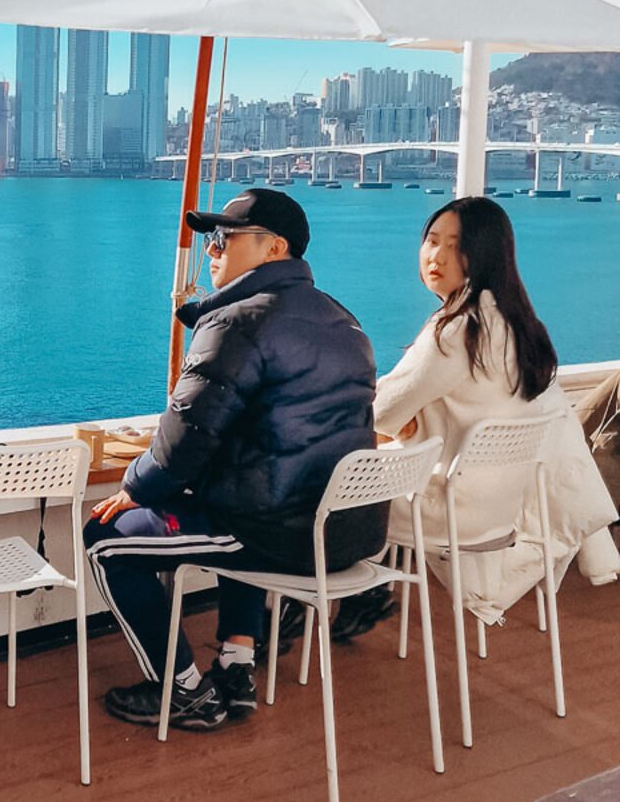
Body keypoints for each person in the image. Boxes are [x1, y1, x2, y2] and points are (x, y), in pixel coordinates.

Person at [84, 189, 383, 732]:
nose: (211, 251)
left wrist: (135, 487)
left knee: (107, 538)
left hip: (279, 533)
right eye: (209, 240)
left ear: (274, 249)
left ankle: (183, 693)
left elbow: (181, 445)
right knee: (224, 503)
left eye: (224, 239)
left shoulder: (236, 323)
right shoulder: (344, 320)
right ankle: (235, 667)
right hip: (347, 531)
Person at [374, 198, 618, 619]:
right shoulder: (515, 324)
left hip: (451, 509)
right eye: (432, 241)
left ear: (484, 255)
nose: (438, 256)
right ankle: (362, 598)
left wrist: (404, 423)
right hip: (502, 507)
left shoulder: (456, 330)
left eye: (456, 245)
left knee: (326, 490)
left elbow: (378, 413)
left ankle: (330, 601)